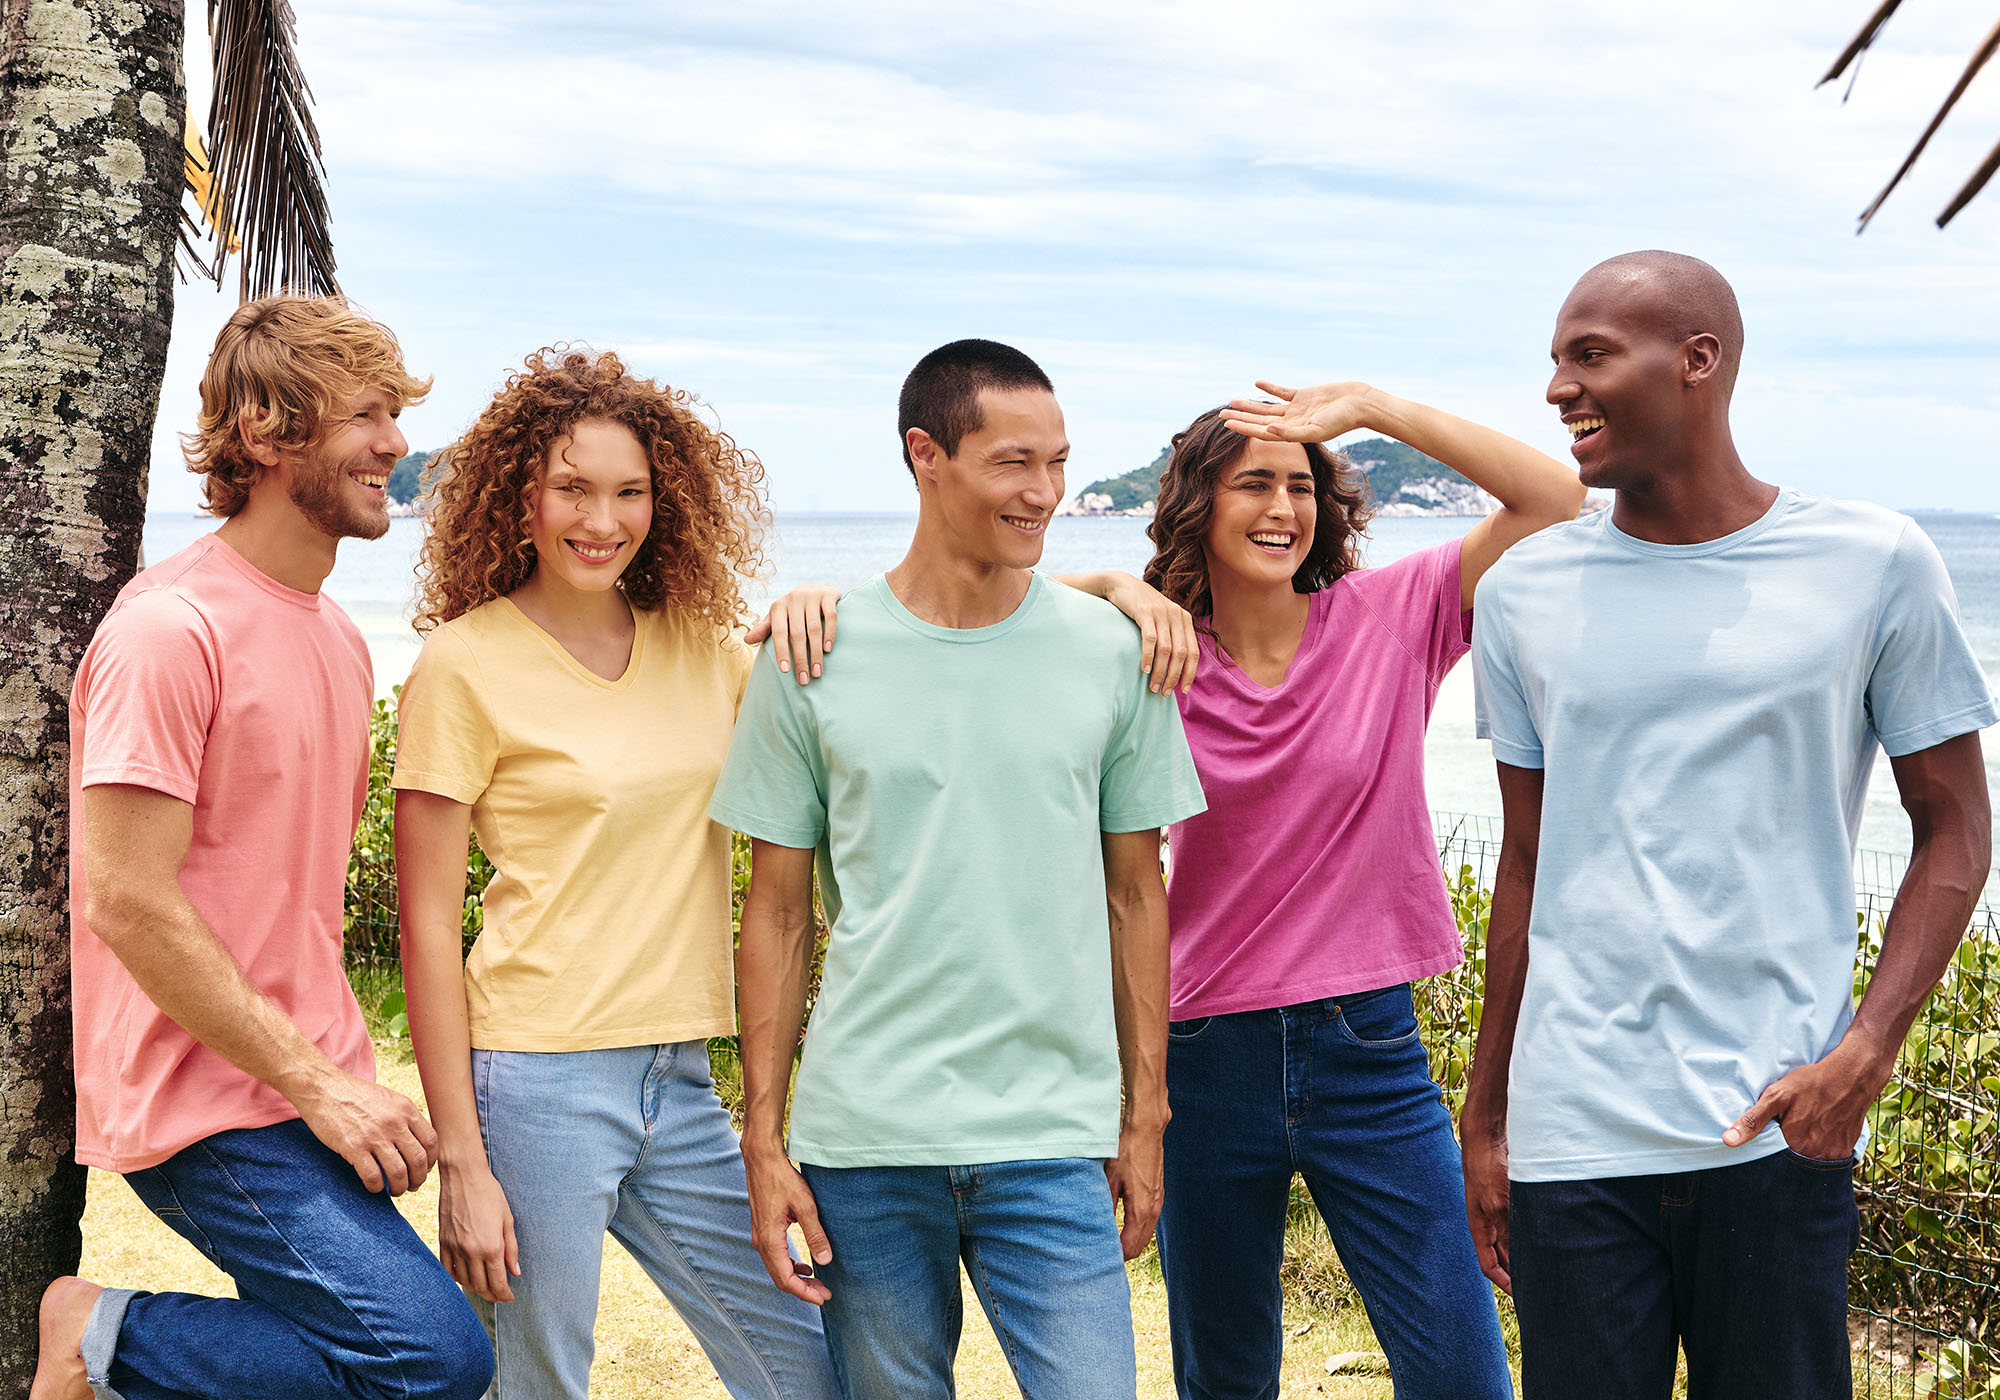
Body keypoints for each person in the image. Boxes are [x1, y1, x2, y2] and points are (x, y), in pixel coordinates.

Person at [1462, 250, 1997, 1400]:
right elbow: (1522, 864)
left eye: (1588, 353)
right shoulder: (1519, 592)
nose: (1557, 387)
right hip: (1573, 1139)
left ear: (1696, 360)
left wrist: (1864, 1052)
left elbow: (1953, 826)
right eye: (1554, 359)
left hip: (1772, 1133)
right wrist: (1486, 1114)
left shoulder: (1873, 562)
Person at [711, 338, 1208, 1400]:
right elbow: (778, 913)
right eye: (1013, 464)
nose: (1044, 493)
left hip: (1051, 1134)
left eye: (1058, 463)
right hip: (864, 1137)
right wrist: (763, 1139)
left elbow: (1136, 893)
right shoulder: (810, 655)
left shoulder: (1111, 650)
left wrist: (1143, 1114)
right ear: (924, 454)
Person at [35, 296, 492, 1400]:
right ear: (264, 432)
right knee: (431, 1359)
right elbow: (130, 902)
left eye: (395, 413)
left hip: (307, 1083)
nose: (396, 442)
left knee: (388, 1354)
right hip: (207, 1097)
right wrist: (320, 1088)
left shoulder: (334, 634)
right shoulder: (168, 631)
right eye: (367, 415)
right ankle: (96, 1333)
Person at [391, 347, 844, 1399]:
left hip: (680, 1078)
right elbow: (424, 931)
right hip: (534, 1076)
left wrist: (817, 601)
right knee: (537, 1382)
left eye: (629, 490)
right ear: (521, 497)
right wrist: (462, 1157)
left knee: (805, 1368)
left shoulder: (703, 649)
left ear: (665, 499)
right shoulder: (463, 664)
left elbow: (866, 674)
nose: (603, 517)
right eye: (572, 487)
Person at [1141, 386, 1583, 1399]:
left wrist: (1375, 408)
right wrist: (1123, 594)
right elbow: (1010, 605)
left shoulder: (1391, 616)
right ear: (1197, 504)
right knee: (1226, 1380)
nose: (1280, 507)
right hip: (1201, 1059)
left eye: (1300, 485)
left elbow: (1558, 502)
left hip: (1368, 1054)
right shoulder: (1155, 655)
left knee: (1464, 1375)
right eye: (1252, 482)